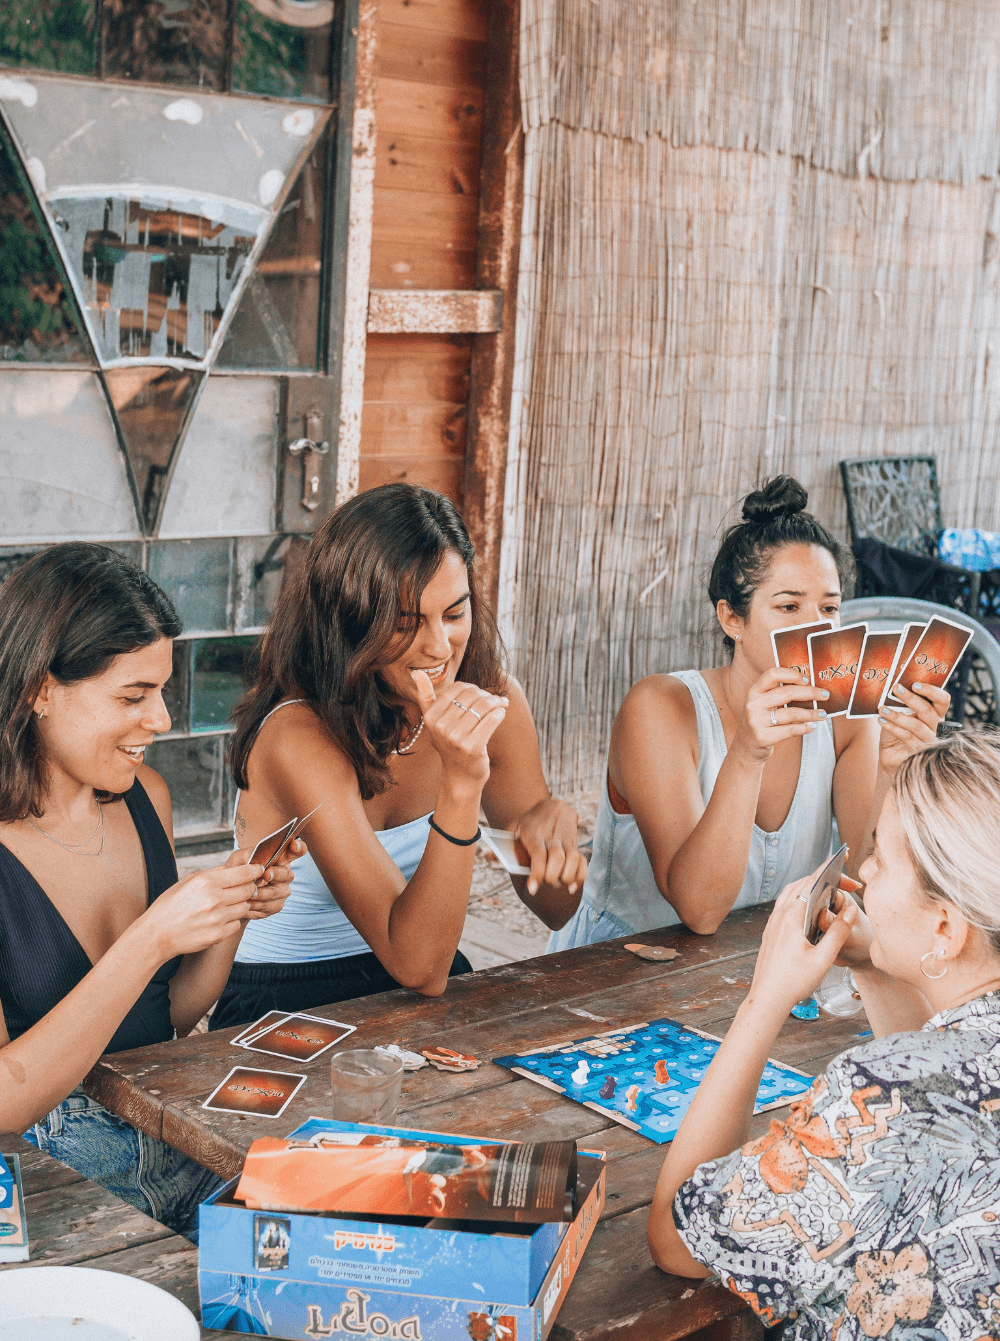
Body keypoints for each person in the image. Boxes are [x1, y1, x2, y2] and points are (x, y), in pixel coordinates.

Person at [648, 730, 1000, 1340]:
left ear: (945, 927)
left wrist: (767, 997)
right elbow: (946, 1082)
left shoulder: (879, 1097)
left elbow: (681, 1241)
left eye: (882, 858)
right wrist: (875, 962)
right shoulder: (933, 1074)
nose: (863, 871)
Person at [0, 544, 300, 1241]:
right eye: (132, 696)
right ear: (39, 690)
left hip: (171, 1139)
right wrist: (151, 937)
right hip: (47, 1180)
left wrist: (232, 911)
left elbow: (171, 1011)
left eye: (161, 691)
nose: (161, 720)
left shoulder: (146, 800)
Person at [209, 483, 585, 1032]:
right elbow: (420, 967)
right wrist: (461, 785)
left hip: (418, 988)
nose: (438, 646)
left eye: (454, 614)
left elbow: (555, 911)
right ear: (349, 620)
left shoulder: (494, 700)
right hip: (288, 993)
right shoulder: (298, 734)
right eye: (405, 623)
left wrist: (551, 840)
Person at [549, 475, 950, 951]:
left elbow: (866, 883)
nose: (815, 627)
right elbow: (699, 909)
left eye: (829, 607)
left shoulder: (846, 718)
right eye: (787, 606)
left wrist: (894, 768)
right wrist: (747, 754)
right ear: (732, 619)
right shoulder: (659, 709)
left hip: (764, 970)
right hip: (618, 970)